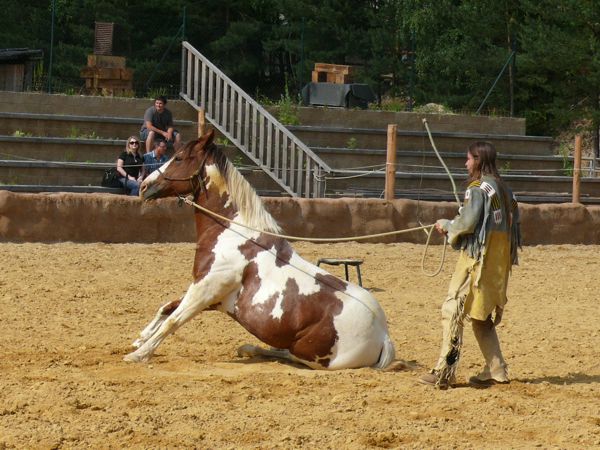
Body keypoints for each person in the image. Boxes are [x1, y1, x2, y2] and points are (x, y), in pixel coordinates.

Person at [419, 141, 521, 389]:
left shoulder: (476, 188)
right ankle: (497, 370)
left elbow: (467, 224)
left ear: (477, 159)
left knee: (453, 309)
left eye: (468, 159)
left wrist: (447, 226)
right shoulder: (504, 189)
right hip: (498, 262)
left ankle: (444, 371)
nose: (465, 164)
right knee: (480, 315)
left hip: (477, 260)